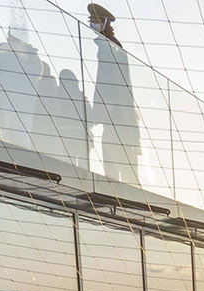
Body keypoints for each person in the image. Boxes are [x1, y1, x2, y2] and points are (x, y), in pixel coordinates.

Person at [87, 3, 138, 184]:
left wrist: (109, 104)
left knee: (116, 160)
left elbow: (115, 80)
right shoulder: (106, 45)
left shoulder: (112, 46)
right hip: (115, 115)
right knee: (114, 159)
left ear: (103, 23)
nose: (91, 24)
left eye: (94, 21)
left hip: (117, 116)